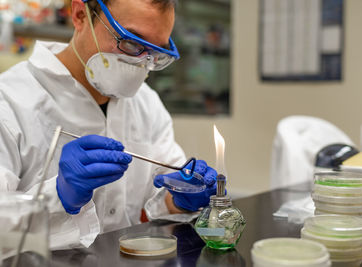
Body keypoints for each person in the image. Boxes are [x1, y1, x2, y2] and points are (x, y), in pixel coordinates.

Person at [0, 0, 217, 249]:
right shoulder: (8, 101)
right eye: (132, 43)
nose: (143, 64)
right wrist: (59, 196)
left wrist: (180, 198)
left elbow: (160, 193)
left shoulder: (147, 103)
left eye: (156, 53)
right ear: (80, 15)